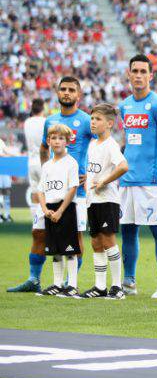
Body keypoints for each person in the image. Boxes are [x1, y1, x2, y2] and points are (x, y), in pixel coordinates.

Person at [119, 55, 157, 298]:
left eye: (143, 71)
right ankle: (129, 281)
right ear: (128, 74)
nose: (139, 75)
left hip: (152, 181)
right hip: (127, 180)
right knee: (128, 231)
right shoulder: (125, 106)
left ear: (150, 75)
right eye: (135, 71)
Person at [81, 104, 129, 300]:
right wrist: (87, 180)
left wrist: (104, 181)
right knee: (95, 241)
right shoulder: (93, 144)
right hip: (93, 200)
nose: (93, 122)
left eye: (98, 119)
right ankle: (100, 286)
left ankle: (117, 287)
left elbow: (123, 166)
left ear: (109, 123)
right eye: (92, 119)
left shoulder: (111, 145)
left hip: (107, 200)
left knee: (108, 240)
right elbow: (94, 170)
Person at [35, 124, 81, 298]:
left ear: (67, 141)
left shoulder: (71, 163)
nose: (57, 141)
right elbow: (41, 190)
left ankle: (72, 285)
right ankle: (57, 284)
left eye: (61, 138)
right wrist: (45, 209)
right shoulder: (46, 165)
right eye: (53, 138)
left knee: (69, 249)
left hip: (66, 208)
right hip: (50, 209)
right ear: (48, 141)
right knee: (55, 249)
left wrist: (61, 210)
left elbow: (72, 188)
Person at [8, 98, 48, 293]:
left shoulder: (27, 122)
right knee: (48, 195)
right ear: (43, 108)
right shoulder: (45, 121)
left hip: (31, 162)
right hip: (44, 161)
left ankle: (37, 216)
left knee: (35, 195)